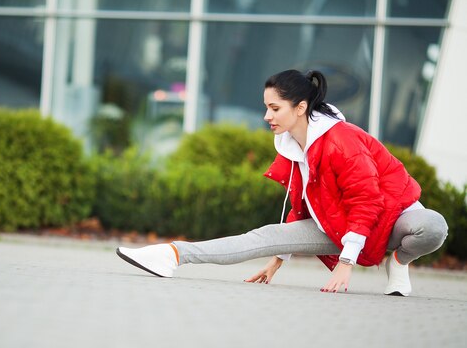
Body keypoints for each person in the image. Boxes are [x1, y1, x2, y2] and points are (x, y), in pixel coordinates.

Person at [116, 69, 448, 296]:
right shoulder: (293, 146)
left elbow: (368, 200)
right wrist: (278, 257)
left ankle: (399, 263)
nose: (267, 116)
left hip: (391, 217)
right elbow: (304, 205)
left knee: (432, 226)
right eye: (266, 107)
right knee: (263, 237)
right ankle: (171, 255)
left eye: (274, 108)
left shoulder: (341, 141)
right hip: (340, 226)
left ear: (301, 107)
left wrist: (346, 264)